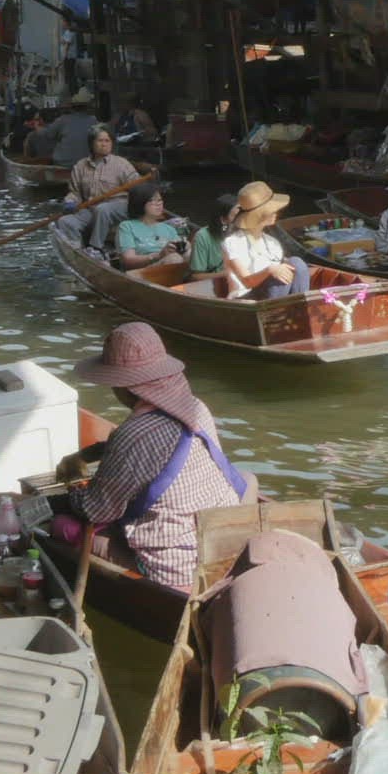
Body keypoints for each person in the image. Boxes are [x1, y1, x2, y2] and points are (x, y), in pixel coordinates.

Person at [58, 323, 253, 592]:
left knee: (63, 526)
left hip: (176, 567)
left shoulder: (134, 434)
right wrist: (88, 454)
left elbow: (96, 510)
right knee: (246, 478)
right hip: (223, 546)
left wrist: (74, 485)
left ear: (126, 386)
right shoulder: (197, 408)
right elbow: (156, 448)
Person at [217, 181, 311, 298]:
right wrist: (269, 270)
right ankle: (285, 307)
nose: (275, 212)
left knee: (296, 262)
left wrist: (286, 267)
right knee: (278, 275)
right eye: (271, 210)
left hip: (272, 294)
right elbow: (247, 282)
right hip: (244, 298)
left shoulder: (272, 242)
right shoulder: (233, 242)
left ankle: (301, 304)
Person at [63, 127, 139, 251]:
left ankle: (95, 248)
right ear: (91, 143)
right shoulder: (80, 166)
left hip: (119, 208)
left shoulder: (121, 164)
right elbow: (75, 193)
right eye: (100, 141)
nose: (104, 144)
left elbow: (138, 189)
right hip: (91, 209)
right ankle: (77, 250)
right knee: (65, 221)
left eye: (107, 141)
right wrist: (70, 201)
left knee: (103, 209)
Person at [115, 183, 185, 269]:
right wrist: (159, 255)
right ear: (139, 203)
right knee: (174, 259)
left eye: (160, 200)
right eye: (152, 200)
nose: (158, 204)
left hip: (173, 266)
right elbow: (128, 261)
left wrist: (187, 247)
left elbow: (181, 251)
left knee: (189, 253)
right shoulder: (127, 226)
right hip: (143, 271)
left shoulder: (169, 228)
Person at [185, 191, 240, 283]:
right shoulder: (203, 236)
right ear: (223, 220)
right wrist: (227, 274)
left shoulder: (244, 234)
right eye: (236, 216)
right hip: (210, 285)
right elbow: (196, 276)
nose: (241, 219)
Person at [35, 90, 101, 167]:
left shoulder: (63, 120)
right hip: (87, 163)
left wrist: (37, 126)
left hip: (64, 163)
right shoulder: (94, 120)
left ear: (72, 107)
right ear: (87, 107)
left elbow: (47, 134)